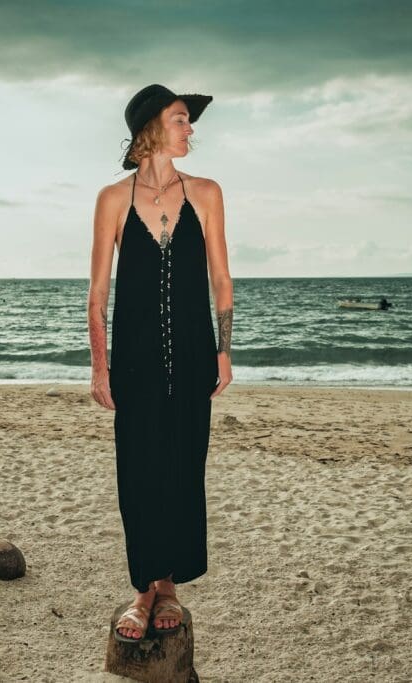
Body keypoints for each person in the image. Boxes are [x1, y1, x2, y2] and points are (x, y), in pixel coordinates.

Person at [87, 84, 234, 642]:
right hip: (134, 357)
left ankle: (168, 586)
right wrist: (100, 367)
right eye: (181, 119)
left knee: (181, 464)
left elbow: (221, 278)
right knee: (139, 469)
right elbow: (98, 293)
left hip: (195, 352)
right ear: (151, 128)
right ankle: (143, 588)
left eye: (189, 121)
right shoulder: (111, 200)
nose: (191, 129)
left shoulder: (207, 193)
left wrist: (225, 347)